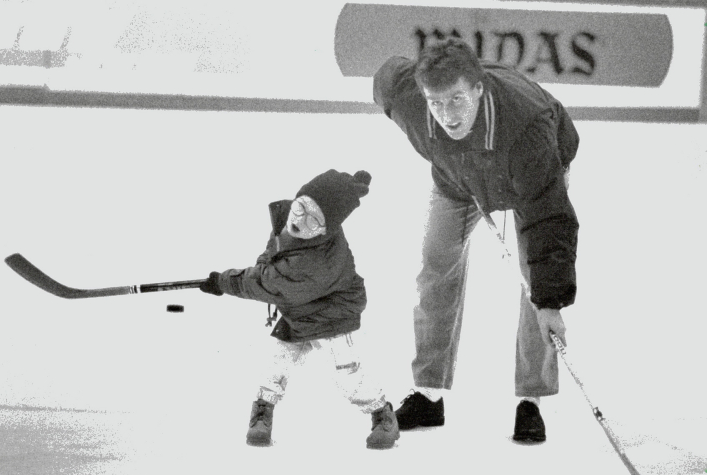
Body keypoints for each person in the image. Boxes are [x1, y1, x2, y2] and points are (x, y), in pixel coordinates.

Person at [373, 37, 580, 442]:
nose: (447, 116)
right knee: (434, 265)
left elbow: (549, 217)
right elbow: (386, 77)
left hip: (531, 179)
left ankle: (531, 401)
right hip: (457, 179)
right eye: (436, 102)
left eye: (456, 100)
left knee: (534, 281)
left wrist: (552, 300)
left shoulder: (528, 129)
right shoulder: (411, 102)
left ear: (479, 88)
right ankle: (429, 393)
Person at [198, 169, 400, 449]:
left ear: (326, 228)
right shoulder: (291, 219)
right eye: (301, 207)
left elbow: (266, 282)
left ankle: (382, 413)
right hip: (297, 310)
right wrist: (257, 266)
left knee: (348, 377)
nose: (300, 221)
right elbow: (270, 259)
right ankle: (262, 411)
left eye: (313, 220)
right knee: (275, 364)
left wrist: (223, 282)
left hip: (331, 316)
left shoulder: (317, 262)